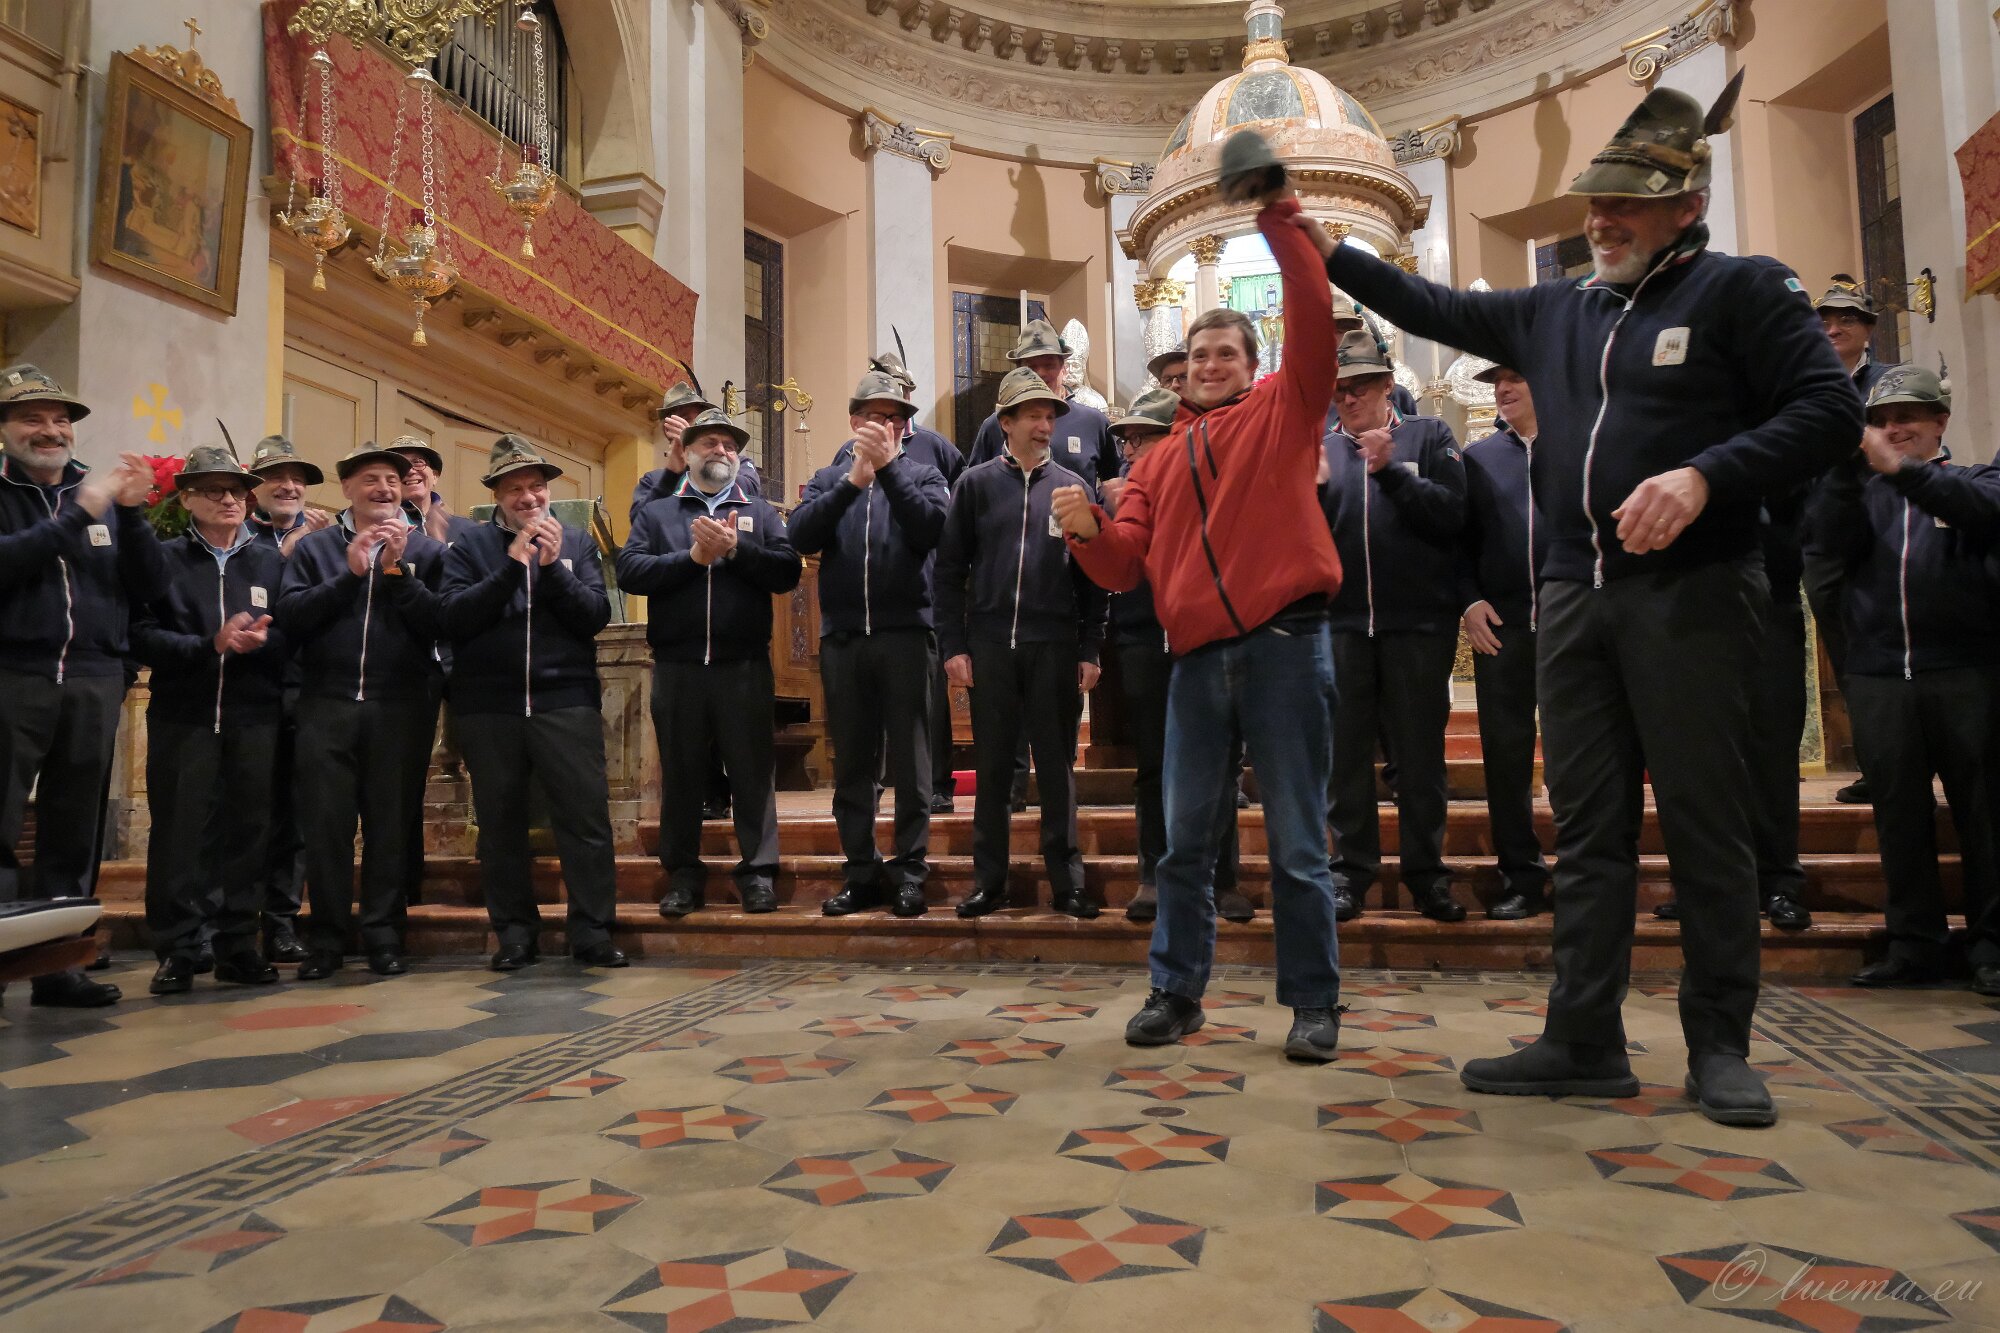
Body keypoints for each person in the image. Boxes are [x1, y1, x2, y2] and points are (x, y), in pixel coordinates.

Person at [1318, 78, 1861, 1126]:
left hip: (1694, 591)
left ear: (1687, 206)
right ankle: (1582, 1034)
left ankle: (1718, 1043)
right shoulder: (1556, 309)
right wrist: (1319, 245)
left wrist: (1706, 475)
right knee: (1587, 824)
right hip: (1571, 596)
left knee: (1705, 821)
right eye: (1594, 202)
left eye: (1626, 203)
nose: (1600, 220)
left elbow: (1829, 412)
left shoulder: (1741, 291)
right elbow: (1433, 306)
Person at [1054, 136, 1346, 1063]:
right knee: (1183, 843)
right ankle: (1176, 992)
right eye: (1198, 353)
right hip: (1195, 661)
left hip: (1286, 644)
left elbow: (1312, 313)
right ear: (1181, 369)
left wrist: (1278, 213)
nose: (1210, 363)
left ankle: (1313, 1003)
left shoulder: (1286, 410)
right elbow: (1124, 567)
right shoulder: (1156, 459)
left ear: (1253, 363)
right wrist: (1088, 530)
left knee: (1297, 841)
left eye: (1226, 352)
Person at [1808, 366, 2000, 993]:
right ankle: (1914, 945)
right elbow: (1823, 545)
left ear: (1940, 421)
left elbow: (1980, 511)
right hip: (1880, 675)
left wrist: (1902, 472)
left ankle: (1992, 947)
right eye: (1882, 421)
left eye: (1908, 417)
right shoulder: (1859, 495)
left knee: (1985, 815)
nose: (1894, 429)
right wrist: (1846, 470)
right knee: (1899, 816)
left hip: (1967, 671)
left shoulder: (1976, 480)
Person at [0, 366, 163, 1007]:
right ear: (5, 429)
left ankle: (58, 966)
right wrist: (81, 513)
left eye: (60, 419)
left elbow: (150, 588)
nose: (51, 430)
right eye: (32, 418)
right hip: (13, 676)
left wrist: (134, 513)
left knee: (75, 830)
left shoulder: (100, 494)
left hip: (93, 679)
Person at [439, 435, 626, 971]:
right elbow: (454, 616)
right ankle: (516, 934)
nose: (528, 497)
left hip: (564, 700)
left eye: (537, 486)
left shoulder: (576, 542)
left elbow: (594, 615)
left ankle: (592, 932)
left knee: (585, 820)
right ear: (497, 495)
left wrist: (550, 568)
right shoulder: (469, 546)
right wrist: (510, 567)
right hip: (489, 706)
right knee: (500, 826)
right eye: (515, 488)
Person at [937, 365, 1108, 921]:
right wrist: (954, 645)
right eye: (1033, 415)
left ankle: (1068, 883)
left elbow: (1094, 580)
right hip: (990, 646)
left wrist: (1089, 648)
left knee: (1057, 770)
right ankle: (989, 882)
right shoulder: (975, 485)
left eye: (1049, 415)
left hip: (1054, 645)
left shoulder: (1074, 488)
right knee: (992, 771)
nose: (1045, 425)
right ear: (1005, 423)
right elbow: (949, 572)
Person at [616, 408, 801, 918]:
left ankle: (758, 873)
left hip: (744, 665)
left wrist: (737, 550)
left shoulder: (759, 511)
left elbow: (787, 572)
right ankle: (682, 875)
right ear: (688, 452)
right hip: (678, 666)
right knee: (681, 775)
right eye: (710, 443)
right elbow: (630, 570)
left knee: (751, 773)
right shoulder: (658, 512)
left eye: (729, 445)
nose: (721, 450)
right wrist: (692, 560)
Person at [278, 443, 449, 980]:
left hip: (399, 706)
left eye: (393, 481)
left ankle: (383, 935)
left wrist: (399, 574)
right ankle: (326, 940)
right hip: (325, 704)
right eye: (371, 479)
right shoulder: (315, 549)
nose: (384, 489)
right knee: (326, 828)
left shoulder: (428, 551)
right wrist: (349, 574)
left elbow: (442, 623)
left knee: (390, 828)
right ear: (347, 488)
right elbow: (291, 616)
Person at [1319, 328, 1467, 925]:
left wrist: (1392, 473)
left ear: (1387, 384)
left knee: (1419, 758)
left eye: (1359, 386)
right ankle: (1349, 873)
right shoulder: (1320, 450)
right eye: (1339, 390)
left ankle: (1426, 875)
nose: (1348, 398)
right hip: (1341, 627)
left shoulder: (1429, 436)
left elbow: (1453, 517)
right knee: (1345, 757)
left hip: (1418, 626)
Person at [792, 369, 950, 918]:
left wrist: (888, 472)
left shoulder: (926, 475)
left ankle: (910, 873)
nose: (887, 424)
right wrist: (851, 484)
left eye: (896, 417)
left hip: (906, 633)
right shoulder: (827, 478)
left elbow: (931, 530)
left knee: (912, 762)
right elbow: (800, 536)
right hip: (843, 639)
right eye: (876, 416)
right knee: (853, 765)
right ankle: (860, 872)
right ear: (854, 422)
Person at [131, 446, 286, 994]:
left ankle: (238, 945)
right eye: (214, 490)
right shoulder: (165, 559)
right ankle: (178, 948)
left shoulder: (271, 561)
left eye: (237, 491)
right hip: (185, 716)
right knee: (180, 834)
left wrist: (264, 642)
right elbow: (141, 634)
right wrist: (209, 645)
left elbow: (294, 632)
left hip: (254, 715)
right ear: (187, 499)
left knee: (249, 832)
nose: (229, 499)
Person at [1103, 388, 1249, 926]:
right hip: (1143, 638)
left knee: (1220, 763)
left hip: (1205, 637)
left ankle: (1223, 878)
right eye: (1127, 440)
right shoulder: (1122, 495)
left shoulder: (1209, 486)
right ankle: (1152, 874)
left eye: (1141, 439)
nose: (1130, 450)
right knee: (1152, 765)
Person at [839, 350, 964, 815]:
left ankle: (937, 785)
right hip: (860, 608)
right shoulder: (843, 455)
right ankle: (871, 787)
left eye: (899, 396)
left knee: (927, 706)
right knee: (866, 714)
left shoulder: (933, 449)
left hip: (920, 595)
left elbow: (954, 509)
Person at [631, 381, 754, 822]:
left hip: (735, 635)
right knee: (683, 744)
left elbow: (743, 495)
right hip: (680, 634)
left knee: (740, 745)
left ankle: (748, 834)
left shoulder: (736, 464)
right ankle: (702, 803)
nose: (687, 422)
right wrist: (674, 464)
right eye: (679, 418)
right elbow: (643, 524)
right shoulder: (655, 481)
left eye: (695, 415)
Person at [1458, 364, 1551, 920]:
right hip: (1503, 629)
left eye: (1517, 377)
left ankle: (1589, 876)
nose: (1504, 388)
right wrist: (1469, 601)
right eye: (1498, 382)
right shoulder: (1479, 458)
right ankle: (1522, 876)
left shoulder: (1577, 446)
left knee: (1580, 762)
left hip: (1572, 626)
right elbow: (1458, 543)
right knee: (1507, 761)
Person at [1806, 275, 1891, 807]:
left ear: (1868, 329)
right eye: (1825, 321)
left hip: (1881, 537)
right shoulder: (1802, 383)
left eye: (1847, 319)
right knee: (1848, 659)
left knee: (1884, 655)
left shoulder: (1890, 382)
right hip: (1822, 540)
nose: (1834, 328)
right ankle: (1875, 766)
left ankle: (1902, 764)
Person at [246, 434, 327, 964]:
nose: (289, 486)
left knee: (294, 817)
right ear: (253, 488)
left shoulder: (324, 541)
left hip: (304, 688)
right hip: (247, 692)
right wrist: (287, 550)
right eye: (277, 477)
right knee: (244, 812)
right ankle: (223, 924)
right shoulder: (234, 536)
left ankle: (280, 921)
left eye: (297, 479)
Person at [966, 319, 1118, 489]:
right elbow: (975, 487)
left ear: (1063, 369)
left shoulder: (1094, 423)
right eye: (1031, 367)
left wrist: (1091, 505)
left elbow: (1113, 486)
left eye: (1049, 365)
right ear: (1018, 371)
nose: (1040, 373)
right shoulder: (997, 425)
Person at [630, 381, 763, 523]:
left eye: (701, 416)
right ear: (668, 429)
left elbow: (750, 491)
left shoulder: (738, 463)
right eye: (686, 418)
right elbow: (640, 521)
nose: (695, 424)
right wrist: (674, 474)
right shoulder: (654, 480)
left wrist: (698, 461)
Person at [391, 436, 479, 546]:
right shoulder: (384, 530)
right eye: (400, 466)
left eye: (418, 462)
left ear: (435, 476)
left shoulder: (467, 529)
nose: (410, 471)